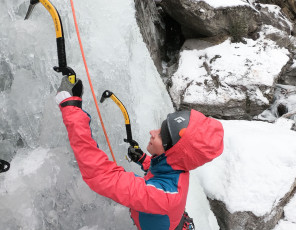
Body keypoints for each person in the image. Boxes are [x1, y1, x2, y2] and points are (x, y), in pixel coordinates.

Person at [56, 77, 224, 230]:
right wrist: (144, 159)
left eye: (161, 135)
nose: (152, 132)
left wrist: (72, 111)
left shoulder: (162, 197)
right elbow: (164, 173)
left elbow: (100, 176)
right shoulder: (178, 169)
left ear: (172, 152)